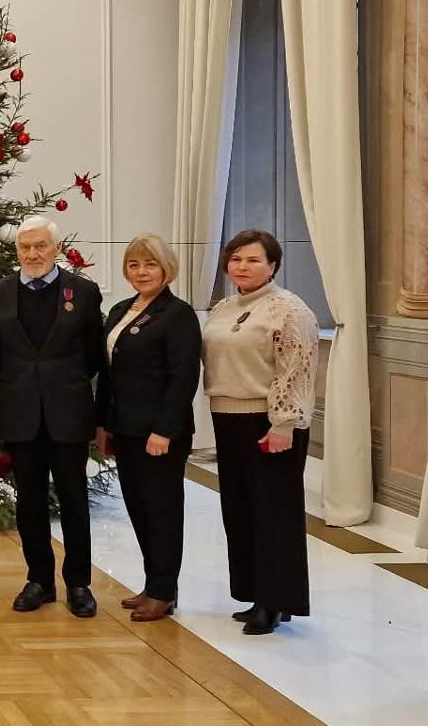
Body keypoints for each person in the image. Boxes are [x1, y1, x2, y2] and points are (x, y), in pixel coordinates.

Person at [0, 216, 106, 618]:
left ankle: (78, 583)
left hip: (67, 412)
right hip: (20, 412)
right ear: (17, 250)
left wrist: (60, 383)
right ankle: (39, 579)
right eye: (25, 247)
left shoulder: (83, 292)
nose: (32, 254)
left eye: (40, 246)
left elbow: (92, 356)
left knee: (73, 500)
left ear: (56, 248)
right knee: (30, 501)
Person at [203, 229, 318, 636]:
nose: (243, 267)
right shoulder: (224, 307)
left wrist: (284, 423)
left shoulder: (289, 309)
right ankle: (257, 594)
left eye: (253, 260)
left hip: (269, 423)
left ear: (272, 265)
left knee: (274, 514)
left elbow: (297, 369)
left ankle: (276, 602)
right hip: (228, 417)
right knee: (242, 511)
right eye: (236, 259)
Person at [96, 233, 201, 623]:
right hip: (125, 428)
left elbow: (183, 377)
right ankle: (152, 583)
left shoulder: (178, 314)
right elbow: (109, 375)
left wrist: (165, 429)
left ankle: (164, 590)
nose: (141, 272)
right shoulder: (122, 309)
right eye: (134, 265)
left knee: (162, 511)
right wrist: (103, 423)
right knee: (139, 508)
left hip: (159, 433)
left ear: (166, 268)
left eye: (150, 264)